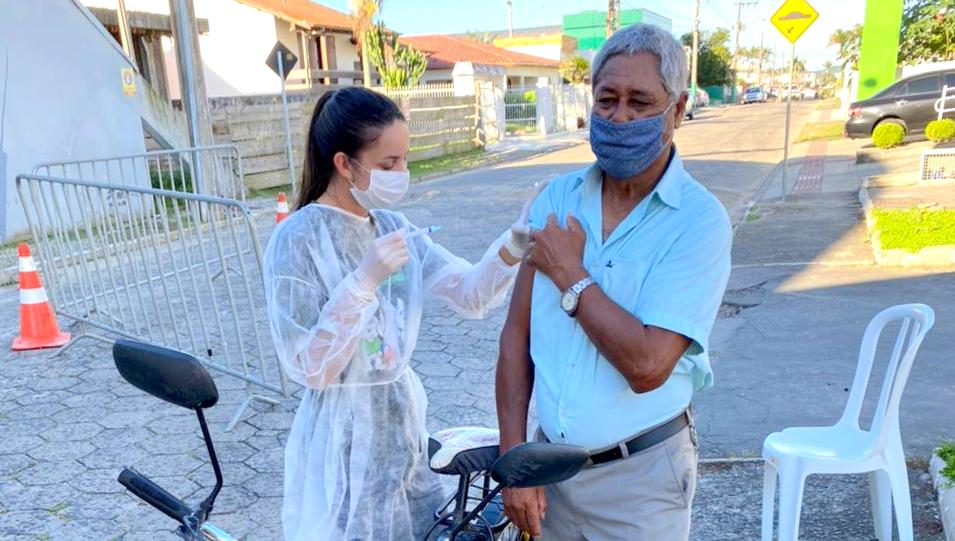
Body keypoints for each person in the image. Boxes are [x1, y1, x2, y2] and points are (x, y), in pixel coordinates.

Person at [263, 86, 533, 541]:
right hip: (341, 438)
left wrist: (511, 247)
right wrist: (362, 282)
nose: (401, 174)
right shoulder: (298, 239)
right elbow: (309, 365)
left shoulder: (392, 228)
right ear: (344, 163)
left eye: (405, 160)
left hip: (402, 428)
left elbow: (468, 293)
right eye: (388, 165)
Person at [496, 23, 732, 541]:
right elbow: (516, 339)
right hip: (548, 474)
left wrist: (571, 276)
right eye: (607, 100)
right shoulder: (556, 199)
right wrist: (514, 461)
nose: (619, 117)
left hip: (640, 482)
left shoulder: (698, 221)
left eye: (639, 101)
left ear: (677, 109)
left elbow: (648, 366)